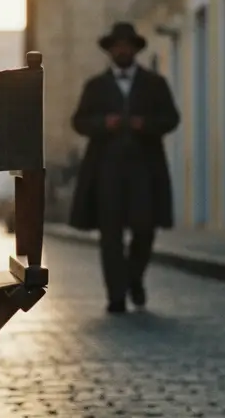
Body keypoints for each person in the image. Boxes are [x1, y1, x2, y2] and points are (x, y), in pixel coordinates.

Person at [67, 22, 180, 314]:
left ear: (135, 49)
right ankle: (116, 295)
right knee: (110, 235)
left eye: (127, 45)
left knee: (145, 230)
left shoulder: (155, 83)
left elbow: (171, 118)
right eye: (117, 46)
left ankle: (134, 278)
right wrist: (103, 124)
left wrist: (147, 125)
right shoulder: (95, 86)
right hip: (107, 172)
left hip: (145, 171)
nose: (122, 50)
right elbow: (79, 122)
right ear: (110, 51)